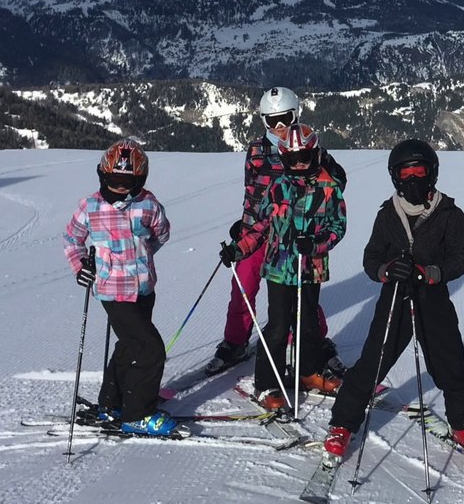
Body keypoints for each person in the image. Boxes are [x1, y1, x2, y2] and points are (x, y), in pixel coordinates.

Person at [322, 139, 464, 464]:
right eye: (406, 172)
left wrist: (432, 272)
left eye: (420, 171)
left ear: (432, 174)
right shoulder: (388, 215)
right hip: (396, 299)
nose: (414, 179)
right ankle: (342, 424)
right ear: (395, 177)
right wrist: (387, 270)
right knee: (373, 363)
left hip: (433, 299)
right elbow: (371, 258)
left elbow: (462, 258)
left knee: (451, 365)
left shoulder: (449, 214)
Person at [208, 87, 347, 377]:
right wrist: (245, 222)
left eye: (284, 119)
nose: (279, 127)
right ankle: (236, 342)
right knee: (243, 287)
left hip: (295, 235)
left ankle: (313, 342)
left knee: (302, 294)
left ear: (295, 114)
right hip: (258, 230)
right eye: (272, 121)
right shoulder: (257, 150)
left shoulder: (309, 147)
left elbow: (334, 187)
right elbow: (252, 190)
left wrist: (324, 165)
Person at [63, 139, 184, 437]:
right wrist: (82, 265)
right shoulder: (90, 206)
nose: (118, 189)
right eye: (112, 181)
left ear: (139, 180)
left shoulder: (148, 204)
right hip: (112, 289)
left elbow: (161, 234)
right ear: (102, 175)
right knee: (150, 350)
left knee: (130, 344)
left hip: (143, 288)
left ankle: (112, 402)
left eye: (125, 183)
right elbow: (72, 239)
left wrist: (143, 254)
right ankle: (138, 414)